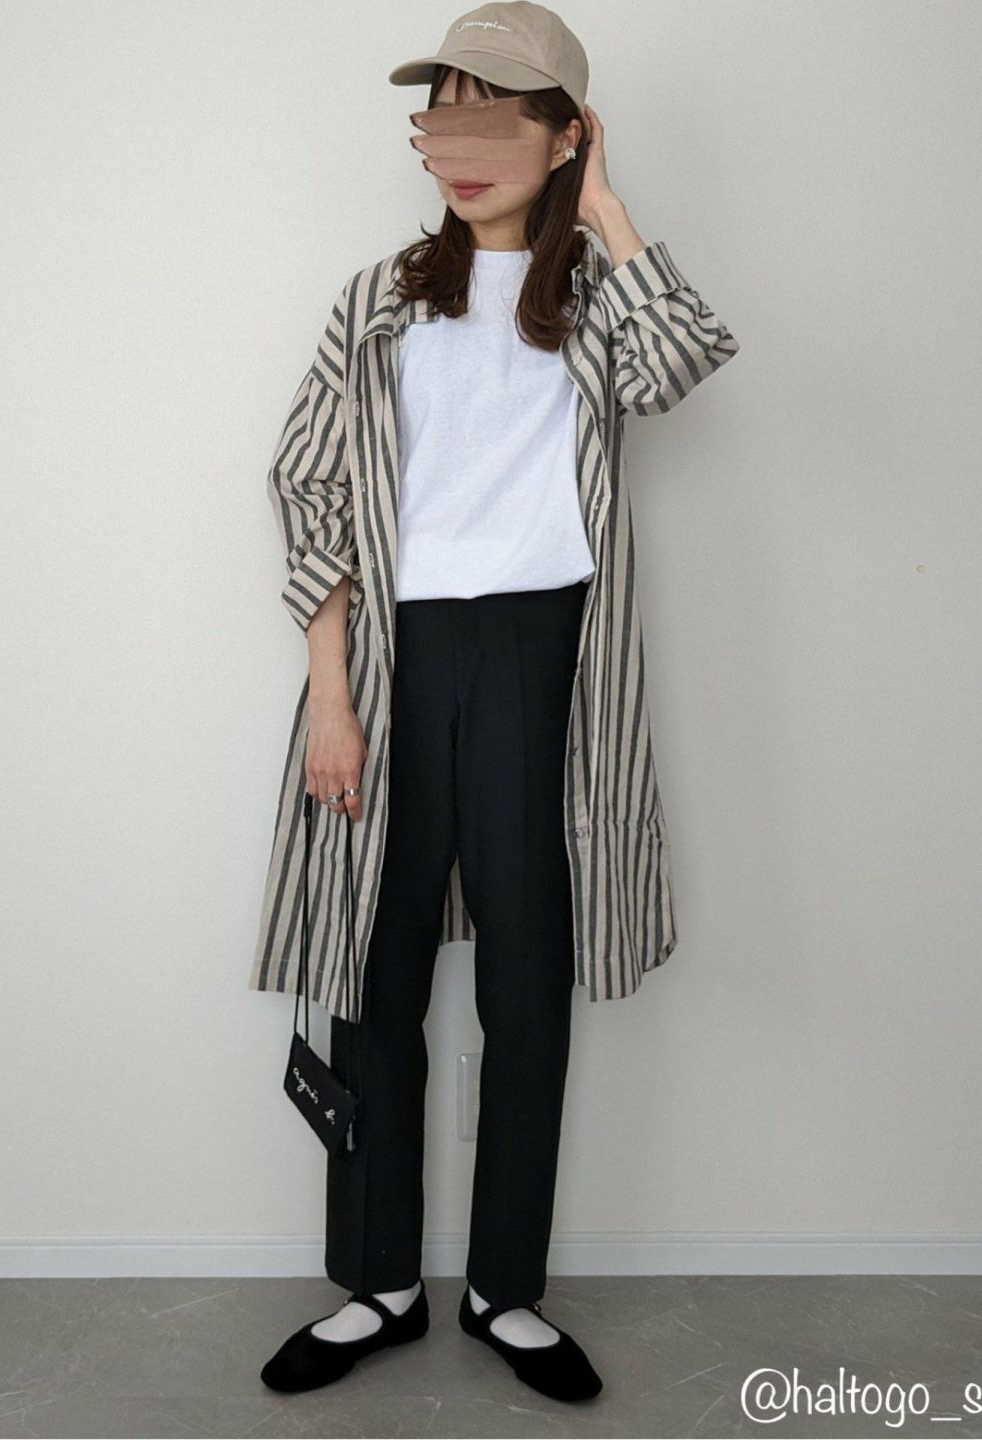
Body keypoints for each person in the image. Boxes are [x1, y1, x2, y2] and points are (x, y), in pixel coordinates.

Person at [256, 0, 739, 1405]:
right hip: (394, 662)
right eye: (439, 119)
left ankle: (505, 1292)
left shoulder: (592, 302)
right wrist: (330, 694)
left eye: (491, 120)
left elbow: (684, 365)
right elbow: (308, 489)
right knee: (373, 971)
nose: (456, 150)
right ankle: (380, 1284)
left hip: (548, 661)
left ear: (563, 135)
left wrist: (611, 210)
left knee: (530, 983)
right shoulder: (377, 299)